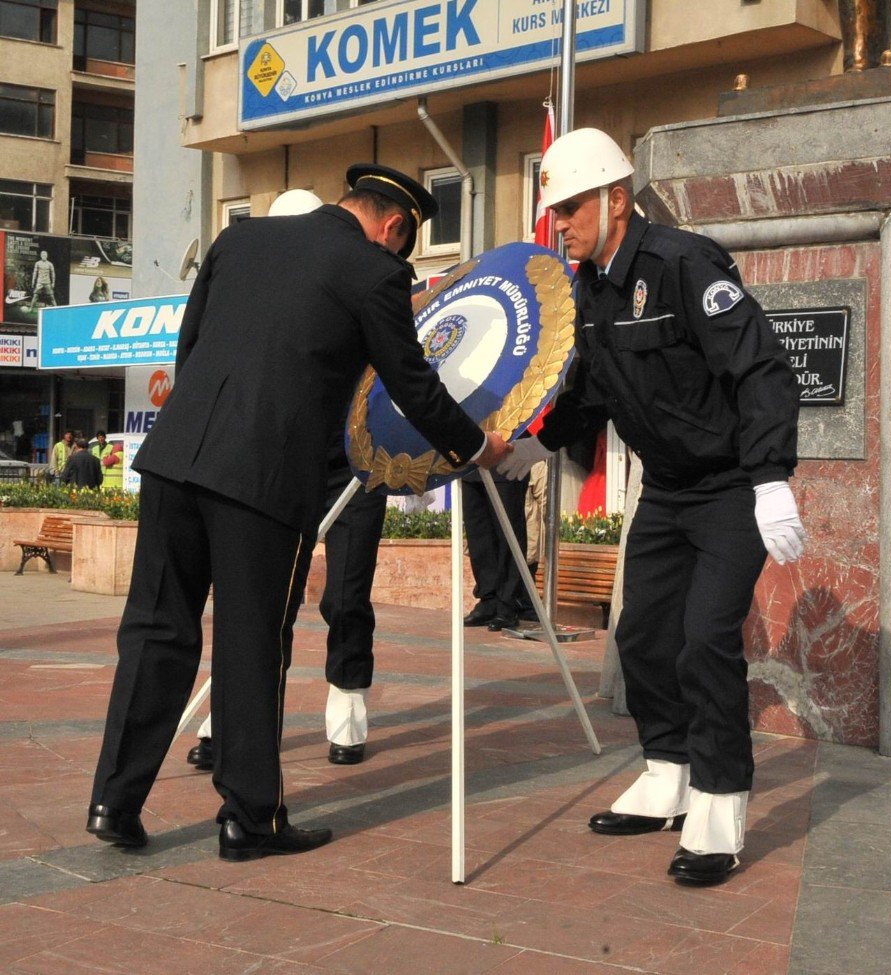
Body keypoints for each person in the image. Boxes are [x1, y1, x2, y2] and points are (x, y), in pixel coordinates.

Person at [87, 163, 511, 862]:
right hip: (262, 480)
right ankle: (251, 819)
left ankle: (115, 800)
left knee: (157, 631)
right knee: (253, 643)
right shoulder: (375, 273)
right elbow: (414, 386)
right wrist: (478, 446)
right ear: (396, 228)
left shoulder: (238, 241)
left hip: (176, 458)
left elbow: (187, 349)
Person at [497, 128, 805, 886]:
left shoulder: (685, 264)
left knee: (705, 638)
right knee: (639, 636)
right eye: (554, 211)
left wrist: (770, 477)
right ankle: (667, 771)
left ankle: (721, 800)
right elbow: (591, 391)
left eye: (569, 208)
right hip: (666, 489)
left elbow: (760, 366)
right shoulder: (591, 289)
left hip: (731, 485)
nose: (558, 224)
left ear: (615, 199)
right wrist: (532, 446)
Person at [185, 188, 387, 772]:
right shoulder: (252, 285)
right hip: (278, 460)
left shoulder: (350, 276)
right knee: (258, 599)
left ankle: (347, 700)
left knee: (347, 593)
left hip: (352, 461)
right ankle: (232, 715)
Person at [461, 468, 531, 631]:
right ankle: (488, 600)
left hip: (506, 460)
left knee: (508, 532)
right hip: (472, 461)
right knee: (478, 530)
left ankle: (508, 603)